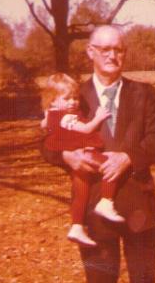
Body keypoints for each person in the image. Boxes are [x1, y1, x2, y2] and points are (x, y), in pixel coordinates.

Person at [42, 25, 155, 283]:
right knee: (100, 275)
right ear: (91, 53)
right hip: (94, 201)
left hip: (137, 199)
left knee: (143, 274)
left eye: (119, 49)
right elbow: (47, 142)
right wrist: (66, 157)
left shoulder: (143, 93)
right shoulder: (74, 95)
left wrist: (128, 157)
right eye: (106, 49)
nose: (113, 56)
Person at [41, 72, 124, 248]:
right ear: (53, 100)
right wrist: (99, 117)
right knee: (110, 166)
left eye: (75, 98)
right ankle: (106, 201)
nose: (73, 102)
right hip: (82, 152)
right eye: (67, 98)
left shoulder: (52, 114)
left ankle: (77, 226)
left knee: (81, 191)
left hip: (77, 155)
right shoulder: (67, 116)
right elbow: (86, 129)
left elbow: (46, 127)